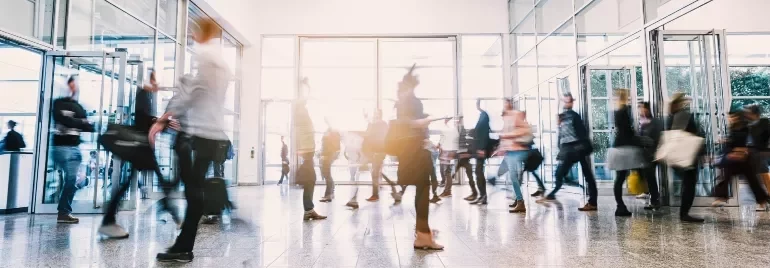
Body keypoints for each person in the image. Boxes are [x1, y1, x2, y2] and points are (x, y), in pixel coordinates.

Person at [150, 17, 233, 262]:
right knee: (193, 189)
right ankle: (183, 243)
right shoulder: (221, 63)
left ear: (202, 33)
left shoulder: (206, 56)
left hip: (199, 134)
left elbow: (195, 92)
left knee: (194, 191)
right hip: (211, 133)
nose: (191, 35)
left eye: (194, 31)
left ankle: (184, 245)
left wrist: (163, 118)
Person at [99, 71, 175, 238]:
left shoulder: (145, 96)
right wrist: (161, 122)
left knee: (148, 180)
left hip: (142, 147)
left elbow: (145, 119)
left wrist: (160, 122)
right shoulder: (143, 94)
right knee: (158, 180)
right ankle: (108, 221)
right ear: (151, 81)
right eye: (155, 82)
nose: (157, 86)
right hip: (141, 147)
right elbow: (142, 120)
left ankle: (109, 220)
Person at [393, 66, 443, 250]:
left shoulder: (403, 101)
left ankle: (422, 230)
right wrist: (422, 121)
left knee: (422, 189)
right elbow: (406, 123)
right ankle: (423, 235)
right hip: (415, 151)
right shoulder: (410, 101)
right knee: (423, 189)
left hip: (410, 150)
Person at [539, 94, 598, 212]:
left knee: (587, 175)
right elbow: (561, 135)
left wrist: (581, 147)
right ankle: (555, 193)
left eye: (568, 102)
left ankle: (592, 202)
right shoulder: (562, 117)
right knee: (560, 173)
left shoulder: (574, 116)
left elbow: (582, 132)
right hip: (568, 150)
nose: (566, 104)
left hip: (577, 148)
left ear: (571, 103)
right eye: (564, 102)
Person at [52, 76, 96, 224]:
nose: (73, 88)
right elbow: (62, 119)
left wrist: (75, 121)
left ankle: (63, 212)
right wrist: (80, 122)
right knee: (70, 178)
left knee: (74, 179)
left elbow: (90, 127)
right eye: (71, 85)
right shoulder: (58, 103)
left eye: (75, 86)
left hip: (75, 148)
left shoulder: (78, 106)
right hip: (62, 148)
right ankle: (63, 212)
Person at [713, 109, 768, 210]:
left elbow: (751, 143)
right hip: (735, 160)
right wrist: (730, 151)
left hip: (745, 160)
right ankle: (721, 198)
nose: (730, 119)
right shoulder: (733, 129)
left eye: (733, 117)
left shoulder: (747, 128)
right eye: (730, 117)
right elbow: (730, 144)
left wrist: (742, 150)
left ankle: (762, 201)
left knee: (752, 181)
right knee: (726, 176)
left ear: (738, 117)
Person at [667, 93, 704, 223]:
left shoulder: (673, 115)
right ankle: (684, 214)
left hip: (681, 155)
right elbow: (684, 134)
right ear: (680, 102)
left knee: (687, 184)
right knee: (689, 185)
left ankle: (684, 213)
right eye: (685, 100)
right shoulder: (682, 114)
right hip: (687, 154)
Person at [294, 78, 326, 221]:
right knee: (310, 179)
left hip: (307, 150)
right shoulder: (299, 110)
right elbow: (303, 98)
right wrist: (306, 86)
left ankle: (309, 210)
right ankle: (308, 210)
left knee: (310, 179)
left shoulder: (300, 111)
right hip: (306, 151)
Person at [496, 99, 532, 213]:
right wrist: (500, 148)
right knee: (513, 176)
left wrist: (508, 135)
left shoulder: (516, 114)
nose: (505, 106)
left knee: (514, 176)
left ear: (510, 104)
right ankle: (518, 199)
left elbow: (526, 129)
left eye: (506, 103)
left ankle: (520, 202)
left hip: (517, 150)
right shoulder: (506, 118)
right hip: (510, 151)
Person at [361, 109, 401, 201]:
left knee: (375, 173)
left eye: (377, 114)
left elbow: (374, 136)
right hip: (374, 151)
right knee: (376, 172)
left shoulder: (381, 124)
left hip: (378, 152)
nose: (375, 115)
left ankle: (375, 195)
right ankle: (390, 184)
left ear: (380, 115)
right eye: (374, 114)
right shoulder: (375, 124)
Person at [610, 89, 637, 217]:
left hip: (619, 146)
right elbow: (628, 131)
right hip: (624, 147)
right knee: (620, 178)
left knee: (619, 178)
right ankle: (620, 206)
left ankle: (620, 205)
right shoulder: (625, 110)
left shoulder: (618, 111)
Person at [637, 102, 663, 210]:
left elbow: (656, 138)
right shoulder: (643, 123)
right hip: (646, 154)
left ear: (647, 109)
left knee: (651, 177)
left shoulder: (654, 122)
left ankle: (655, 200)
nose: (640, 111)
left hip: (653, 154)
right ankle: (653, 199)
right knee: (649, 177)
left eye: (642, 108)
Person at [470, 100, 491, 205]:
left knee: (479, 172)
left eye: (477, 104)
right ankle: (482, 195)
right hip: (479, 149)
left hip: (481, 150)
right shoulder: (482, 116)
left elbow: (484, 133)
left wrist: (482, 148)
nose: (476, 106)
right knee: (478, 173)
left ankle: (483, 196)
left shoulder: (484, 116)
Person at [319, 123, 341, 202]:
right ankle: (331, 193)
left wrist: (327, 156)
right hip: (326, 156)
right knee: (327, 175)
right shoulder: (329, 134)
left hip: (327, 157)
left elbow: (330, 147)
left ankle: (328, 195)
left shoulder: (332, 134)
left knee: (327, 175)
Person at [437, 118, 459, 197]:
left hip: (448, 152)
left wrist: (439, 145)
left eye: (447, 120)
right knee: (446, 171)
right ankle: (447, 189)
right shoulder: (452, 130)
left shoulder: (450, 131)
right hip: (448, 152)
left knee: (447, 171)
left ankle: (447, 191)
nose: (445, 122)